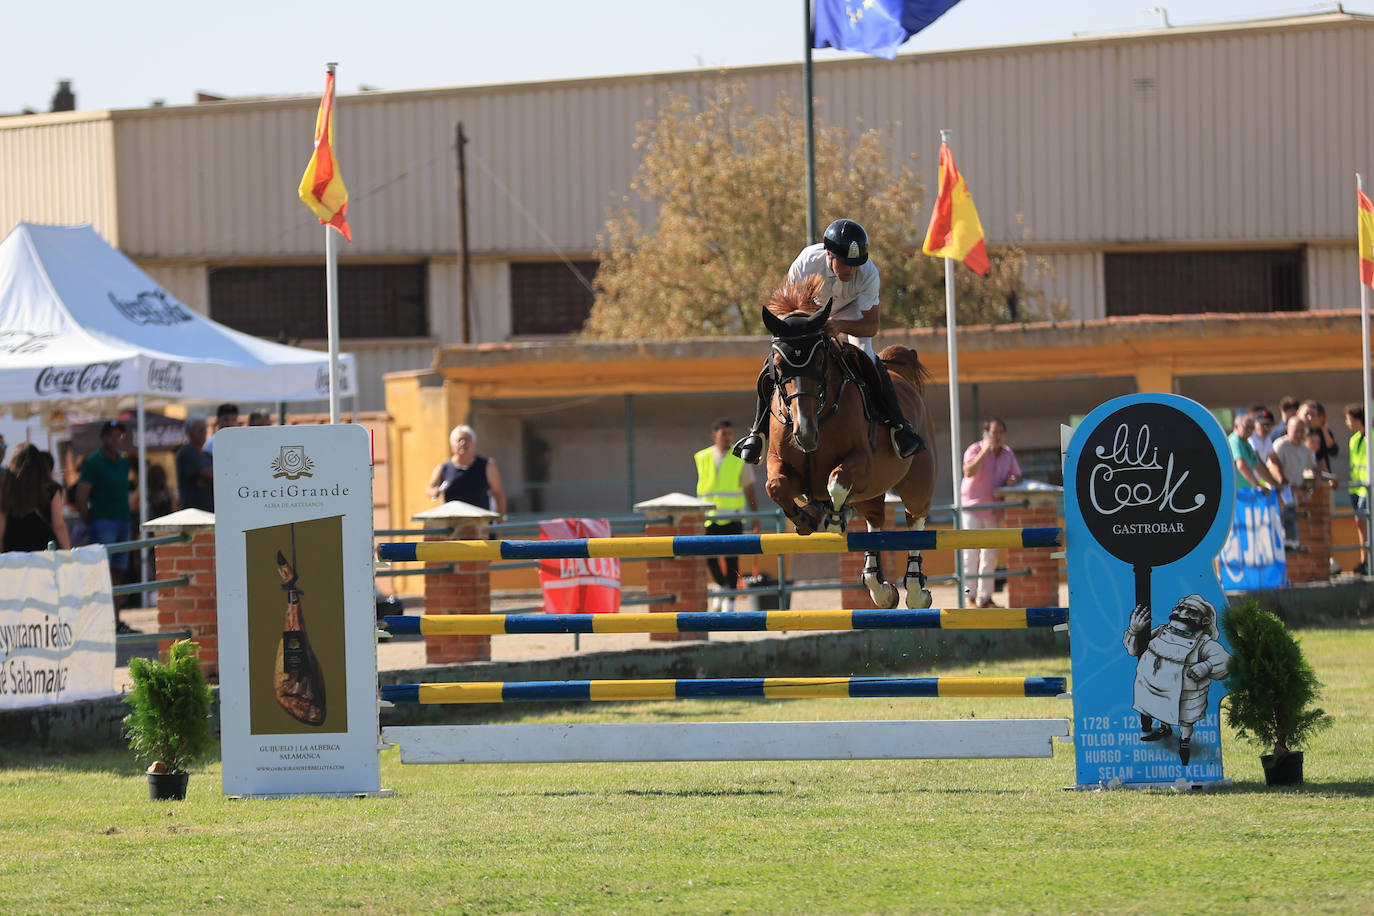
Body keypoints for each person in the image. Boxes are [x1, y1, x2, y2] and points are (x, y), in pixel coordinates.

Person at [732, 218, 926, 464]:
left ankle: (900, 426)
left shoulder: (868, 273)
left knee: (868, 356)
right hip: (805, 319)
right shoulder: (806, 261)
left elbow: (871, 326)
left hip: (850, 318)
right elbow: (786, 311)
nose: (850, 270)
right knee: (776, 361)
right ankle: (756, 433)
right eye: (844, 263)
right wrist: (811, 329)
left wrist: (839, 325)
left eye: (855, 264)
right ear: (829, 254)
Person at [76, 420, 135, 632]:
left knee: (119, 572)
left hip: (122, 521)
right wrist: (91, 522)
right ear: (102, 438)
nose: (116, 439)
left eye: (119, 435)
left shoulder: (124, 462)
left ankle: (115, 620)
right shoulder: (93, 462)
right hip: (102, 523)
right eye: (111, 435)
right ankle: (100, 621)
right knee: (101, 573)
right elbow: (81, 497)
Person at [695, 418, 759, 612]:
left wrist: (755, 515)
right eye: (724, 434)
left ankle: (729, 598)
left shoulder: (740, 456)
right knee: (709, 557)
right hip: (709, 517)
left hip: (733, 515)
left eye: (730, 434)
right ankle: (722, 586)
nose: (728, 438)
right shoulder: (702, 457)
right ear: (715, 435)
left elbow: (749, 487)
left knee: (732, 559)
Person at [960, 417, 1021, 609]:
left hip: (995, 509)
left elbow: (1016, 475)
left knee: (991, 555)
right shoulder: (974, 449)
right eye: (994, 432)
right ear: (986, 433)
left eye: (1001, 432)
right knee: (970, 553)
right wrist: (985, 450)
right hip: (973, 508)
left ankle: (984, 599)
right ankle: (969, 598)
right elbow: (968, 471)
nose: (998, 436)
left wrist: (1012, 480)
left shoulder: (1008, 453)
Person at [0, 442, 71, 552]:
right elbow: (59, 526)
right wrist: (67, 554)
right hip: (45, 551)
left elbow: (1, 529)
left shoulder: (5, 490)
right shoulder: (51, 489)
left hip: (14, 554)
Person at [426, 424, 507, 518]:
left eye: (467, 440)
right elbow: (429, 488)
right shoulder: (443, 468)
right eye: (459, 440)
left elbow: (498, 493)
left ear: (474, 443)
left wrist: (501, 518)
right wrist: (434, 491)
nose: (463, 443)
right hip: (453, 524)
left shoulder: (487, 466)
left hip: (480, 523)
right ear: (452, 444)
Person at [1267, 416, 1317, 549]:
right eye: (1296, 431)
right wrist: (1284, 482)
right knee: (1279, 525)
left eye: (1302, 431)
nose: (1299, 434)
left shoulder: (1304, 449)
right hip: (1278, 494)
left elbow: (1313, 466)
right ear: (1288, 429)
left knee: (1291, 527)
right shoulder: (1280, 445)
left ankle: (1293, 546)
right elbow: (1272, 466)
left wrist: (1315, 481)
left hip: (1292, 496)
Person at [1345, 403, 1369, 575]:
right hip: (1356, 489)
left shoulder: (1372, 436)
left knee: (1366, 522)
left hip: (1368, 489)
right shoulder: (1354, 440)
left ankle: (1367, 561)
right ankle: (1364, 561)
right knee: (1360, 524)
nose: (1347, 423)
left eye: (1348, 419)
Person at [1228, 410, 1276, 492]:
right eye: (1247, 427)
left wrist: (1275, 484)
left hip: (1245, 493)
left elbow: (1258, 466)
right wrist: (1257, 485)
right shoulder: (1234, 440)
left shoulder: (1246, 443)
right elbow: (1241, 465)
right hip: (1236, 494)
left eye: (1252, 428)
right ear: (1236, 426)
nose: (1250, 431)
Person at [176, 416, 215, 511]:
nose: (203, 432)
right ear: (188, 432)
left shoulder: (207, 455)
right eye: (199, 429)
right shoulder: (186, 452)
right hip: (193, 513)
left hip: (209, 512)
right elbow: (212, 477)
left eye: (204, 428)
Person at [1299, 399, 1339, 474]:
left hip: (1320, 475)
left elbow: (1333, 452)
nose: (1309, 418)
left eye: (1313, 415)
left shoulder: (1322, 432)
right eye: (1306, 414)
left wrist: (1324, 428)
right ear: (1298, 413)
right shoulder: (1291, 431)